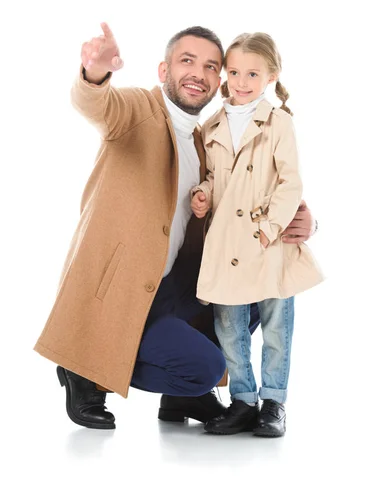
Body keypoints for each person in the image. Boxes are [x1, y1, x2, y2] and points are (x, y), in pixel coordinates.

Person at [34, 23, 318, 430]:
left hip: (175, 291)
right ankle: (86, 367)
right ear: (163, 71)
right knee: (206, 366)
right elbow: (100, 105)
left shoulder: (209, 136)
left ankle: (183, 398)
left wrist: (305, 221)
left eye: (210, 66)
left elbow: (252, 195)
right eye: (187, 61)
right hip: (128, 296)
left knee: (260, 287)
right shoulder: (137, 112)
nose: (198, 74)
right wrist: (94, 73)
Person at [191, 32, 323, 437]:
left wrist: (269, 231)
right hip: (226, 243)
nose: (241, 81)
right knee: (229, 327)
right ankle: (243, 401)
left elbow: (290, 182)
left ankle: (273, 402)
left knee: (276, 326)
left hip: (270, 244)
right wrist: (203, 194)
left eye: (252, 73)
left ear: (271, 76)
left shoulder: (278, 122)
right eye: (234, 72)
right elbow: (213, 175)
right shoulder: (212, 124)